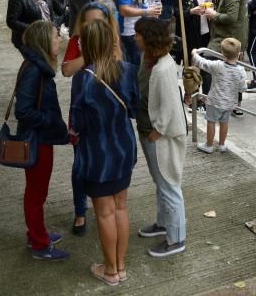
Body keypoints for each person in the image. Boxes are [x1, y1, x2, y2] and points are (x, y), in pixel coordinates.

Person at [70, 19, 138, 285]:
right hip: (123, 147)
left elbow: (76, 124)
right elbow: (134, 108)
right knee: (121, 207)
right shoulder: (127, 70)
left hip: (96, 153)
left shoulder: (82, 79)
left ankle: (110, 271)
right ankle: (120, 266)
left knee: (105, 213)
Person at [14, 20, 70, 260]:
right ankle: (39, 243)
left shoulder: (37, 66)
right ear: (44, 42)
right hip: (37, 140)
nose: (60, 40)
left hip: (40, 138)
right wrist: (51, 120)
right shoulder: (35, 69)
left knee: (37, 191)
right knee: (36, 193)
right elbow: (23, 111)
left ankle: (38, 233)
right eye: (56, 37)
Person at [134, 17, 187, 258]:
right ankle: (163, 223)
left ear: (149, 38)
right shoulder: (148, 59)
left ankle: (176, 239)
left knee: (169, 185)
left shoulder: (164, 67)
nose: (135, 37)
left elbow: (169, 108)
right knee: (161, 183)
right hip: (150, 132)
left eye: (139, 34)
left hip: (160, 136)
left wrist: (157, 133)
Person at [192, 38, 246, 153]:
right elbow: (243, 88)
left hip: (215, 101)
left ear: (222, 53)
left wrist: (194, 53)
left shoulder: (217, 65)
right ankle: (222, 144)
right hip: (229, 103)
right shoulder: (241, 70)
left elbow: (202, 63)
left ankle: (209, 145)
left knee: (211, 121)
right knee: (224, 122)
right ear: (239, 54)